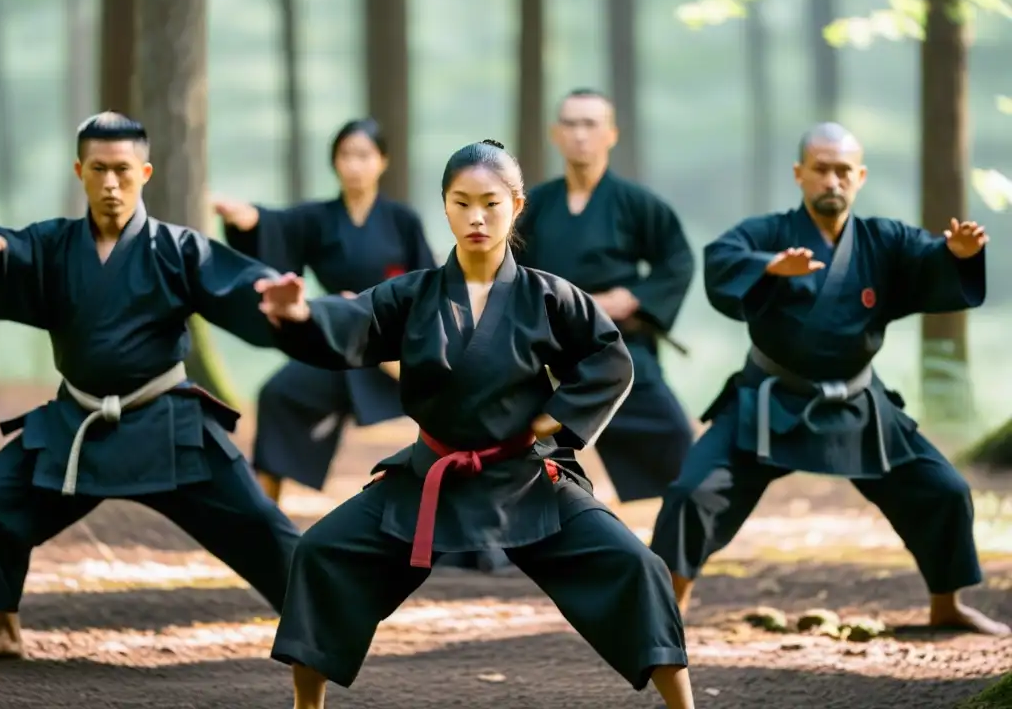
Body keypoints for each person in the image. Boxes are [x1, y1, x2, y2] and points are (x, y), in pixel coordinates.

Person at [255, 140, 695, 709]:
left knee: (637, 567)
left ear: (516, 205)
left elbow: (609, 360)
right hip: (428, 478)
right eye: (461, 203)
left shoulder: (547, 295)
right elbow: (355, 319)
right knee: (321, 554)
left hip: (525, 479)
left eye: (490, 202)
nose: (476, 217)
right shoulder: (413, 294)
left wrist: (553, 422)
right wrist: (300, 313)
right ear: (445, 207)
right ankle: (305, 707)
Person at [649, 122, 1010, 636]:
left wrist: (957, 256)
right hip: (769, 401)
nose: (832, 181)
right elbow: (724, 258)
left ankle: (947, 605)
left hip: (857, 405)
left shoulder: (883, 240)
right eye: (821, 169)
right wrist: (771, 267)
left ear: (859, 177)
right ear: (800, 174)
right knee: (692, 492)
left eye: (844, 170)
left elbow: (929, 260)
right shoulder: (769, 232)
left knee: (943, 490)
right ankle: (669, 608)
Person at [0, 112, 301, 660]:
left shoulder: (176, 249)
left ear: (146, 172)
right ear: (79, 170)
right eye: (100, 170)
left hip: (165, 424)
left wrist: (276, 300)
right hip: (77, 425)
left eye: (124, 171)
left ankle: (321, 630)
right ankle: (1, 626)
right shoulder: (55, 246)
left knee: (262, 525)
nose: (112, 184)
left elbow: (239, 283)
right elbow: (14, 255)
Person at [212, 118, 436, 504]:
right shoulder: (319, 218)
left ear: (382, 161)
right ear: (334, 162)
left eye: (364, 155)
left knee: (445, 416)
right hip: (340, 345)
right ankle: (266, 516)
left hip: (393, 354)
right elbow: (275, 226)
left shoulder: (402, 221)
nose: (354, 165)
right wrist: (243, 219)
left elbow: (429, 286)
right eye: (346, 155)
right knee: (278, 393)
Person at [515, 88, 697, 503]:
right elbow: (506, 268)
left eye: (590, 124)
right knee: (515, 444)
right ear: (555, 134)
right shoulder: (536, 204)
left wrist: (633, 297)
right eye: (570, 124)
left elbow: (678, 260)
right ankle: (493, 545)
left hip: (615, 347)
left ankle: (681, 539)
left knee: (675, 436)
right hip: (544, 351)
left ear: (610, 134)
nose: (580, 134)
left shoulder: (635, 203)